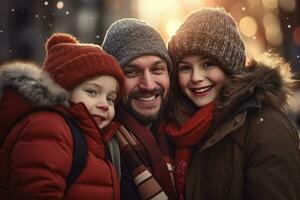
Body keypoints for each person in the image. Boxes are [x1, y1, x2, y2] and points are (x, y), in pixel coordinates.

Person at [166, 7, 300, 200]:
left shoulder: (266, 126)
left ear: (230, 67)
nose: (196, 77)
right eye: (185, 68)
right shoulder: (185, 127)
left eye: (207, 64)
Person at [0, 33, 125, 200]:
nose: (104, 104)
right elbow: (38, 191)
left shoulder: (93, 139)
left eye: (110, 98)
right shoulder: (47, 127)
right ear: (63, 90)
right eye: (92, 92)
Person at [102, 18, 176, 200]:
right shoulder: (96, 146)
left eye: (157, 69)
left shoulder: (185, 140)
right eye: (131, 72)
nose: (148, 85)